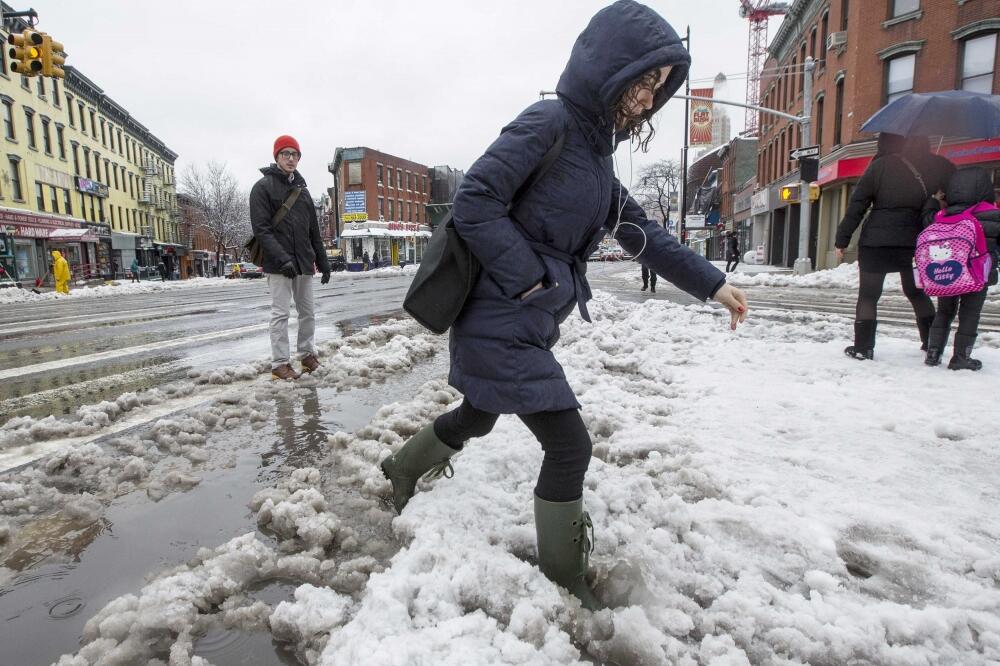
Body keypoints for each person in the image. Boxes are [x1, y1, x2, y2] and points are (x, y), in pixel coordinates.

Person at [380, 0, 748, 611]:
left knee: (478, 414)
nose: (648, 99)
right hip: (500, 314)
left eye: (659, 87)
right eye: (643, 80)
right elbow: (475, 199)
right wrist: (528, 279)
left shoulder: (599, 162)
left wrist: (712, 284)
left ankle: (401, 467)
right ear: (610, 66)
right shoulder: (549, 122)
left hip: (525, 319)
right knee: (570, 445)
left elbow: (643, 234)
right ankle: (565, 580)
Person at [834, 134, 955, 360]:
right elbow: (954, 199)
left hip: (876, 241)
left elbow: (858, 205)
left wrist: (842, 239)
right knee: (916, 292)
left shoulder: (880, 166)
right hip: (916, 241)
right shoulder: (939, 166)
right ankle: (931, 343)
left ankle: (863, 348)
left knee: (869, 295)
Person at [250, 134, 331, 381]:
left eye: (295, 154)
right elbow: (262, 230)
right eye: (286, 153)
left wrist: (323, 261)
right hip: (278, 265)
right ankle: (280, 364)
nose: (291, 158)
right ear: (277, 156)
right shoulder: (262, 188)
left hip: (303, 263)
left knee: (308, 313)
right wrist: (282, 258)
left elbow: (314, 232)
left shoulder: (303, 193)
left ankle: (307, 356)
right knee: (281, 314)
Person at [924, 168, 1000, 371]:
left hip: (949, 272)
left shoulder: (943, 215)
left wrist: (933, 200)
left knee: (944, 312)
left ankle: (933, 353)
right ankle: (961, 357)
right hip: (978, 273)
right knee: (970, 314)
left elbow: (925, 224)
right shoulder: (994, 214)